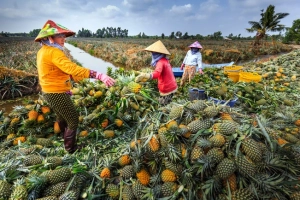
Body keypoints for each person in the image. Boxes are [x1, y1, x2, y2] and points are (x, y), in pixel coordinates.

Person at [35, 20, 116, 153]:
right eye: (60, 36)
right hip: (56, 92)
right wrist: (98, 75)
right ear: (50, 38)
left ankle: (63, 138)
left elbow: (57, 71)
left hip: (49, 91)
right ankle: (70, 149)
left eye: (64, 36)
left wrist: (68, 85)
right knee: (73, 119)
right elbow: (72, 68)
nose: (63, 39)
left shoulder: (43, 51)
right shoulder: (54, 52)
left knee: (62, 117)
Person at [135, 40, 178, 105]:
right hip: (173, 85)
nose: (153, 54)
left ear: (158, 53)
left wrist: (144, 75)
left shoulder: (160, 62)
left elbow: (157, 74)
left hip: (167, 88)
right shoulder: (165, 60)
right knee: (169, 102)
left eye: (154, 53)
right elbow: (161, 71)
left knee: (163, 104)